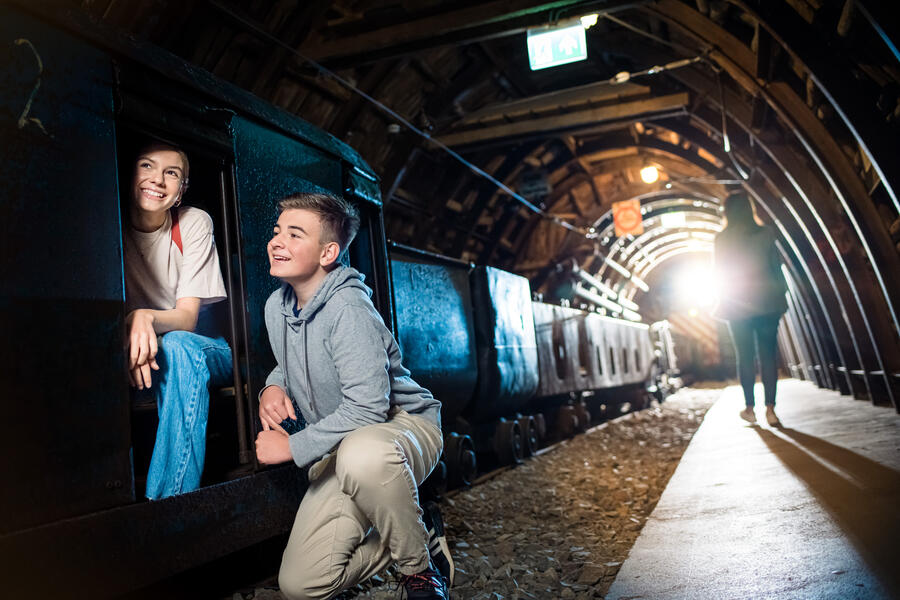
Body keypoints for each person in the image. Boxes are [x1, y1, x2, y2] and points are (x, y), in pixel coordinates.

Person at [254, 192, 453, 600]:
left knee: (361, 454)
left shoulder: (348, 307)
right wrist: (271, 385)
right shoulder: (277, 306)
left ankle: (419, 573)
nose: (277, 242)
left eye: (295, 234)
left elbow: (369, 406)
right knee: (301, 585)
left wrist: (292, 447)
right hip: (347, 446)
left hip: (401, 428)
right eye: (277, 232)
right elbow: (300, 361)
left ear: (328, 252)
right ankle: (418, 528)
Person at [123, 141, 232, 500]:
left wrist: (142, 316)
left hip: (204, 349)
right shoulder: (105, 222)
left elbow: (186, 319)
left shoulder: (192, 222)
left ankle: (172, 501)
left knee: (177, 344)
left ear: (182, 190)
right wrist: (133, 337)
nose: (158, 179)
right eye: (146, 166)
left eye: (172, 173)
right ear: (130, 173)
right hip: (140, 354)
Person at [713, 191, 788, 427]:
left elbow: (719, 273)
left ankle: (749, 408)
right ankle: (771, 410)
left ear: (727, 213)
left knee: (744, 357)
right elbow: (777, 267)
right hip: (767, 304)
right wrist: (781, 294)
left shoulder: (722, 239)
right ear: (749, 208)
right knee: (768, 356)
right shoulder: (765, 233)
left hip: (737, 306)